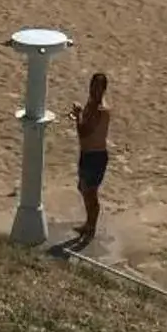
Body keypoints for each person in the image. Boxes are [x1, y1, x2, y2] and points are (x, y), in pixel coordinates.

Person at [72, 72, 110, 245]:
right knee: (83, 188)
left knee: (91, 193)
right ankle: (88, 223)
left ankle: (91, 226)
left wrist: (78, 115)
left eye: (97, 88)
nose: (94, 91)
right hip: (87, 153)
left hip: (95, 156)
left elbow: (84, 130)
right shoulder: (91, 104)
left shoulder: (100, 110)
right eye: (92, 87)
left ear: (103, 90)